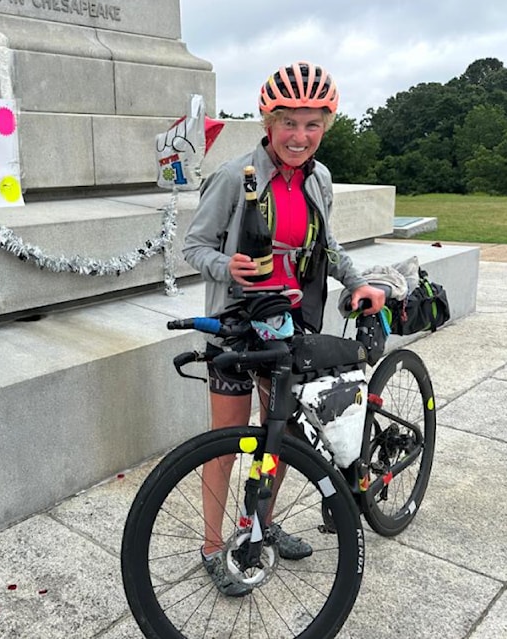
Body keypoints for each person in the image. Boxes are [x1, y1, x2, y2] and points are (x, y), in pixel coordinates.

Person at [182, 61, 386, 596]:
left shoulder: (319, 178)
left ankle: (262, 526)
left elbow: (328, 246)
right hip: (236, 328)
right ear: (267, 123)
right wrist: (228, 267)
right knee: (225, 443)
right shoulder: (234, 177)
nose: (300, 135)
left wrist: (358, 281)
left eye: (312, 124)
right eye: (289, 122)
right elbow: (193, 247)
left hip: (291, 329)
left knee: (283, 437)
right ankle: (210, 544)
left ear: (325, 128)